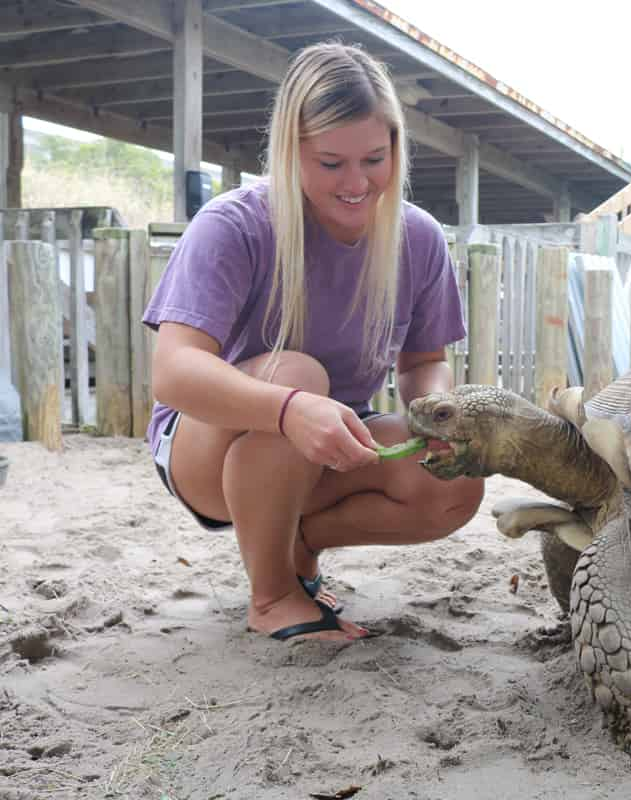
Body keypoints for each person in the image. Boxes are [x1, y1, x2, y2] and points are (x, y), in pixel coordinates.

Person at [143, 42, 484, 642]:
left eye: (374, 160)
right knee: (297, 376)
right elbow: (172, 373)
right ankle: (271, 594)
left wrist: (438, 414)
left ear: (396, 150)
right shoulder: (233, 225)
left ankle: (299, 544)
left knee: (454, 485)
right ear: (290, 151)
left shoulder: (419, 237)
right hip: (207, 452)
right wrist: (290, 409)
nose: (357, 184)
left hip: (331, 440)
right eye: (331, 164)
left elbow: (425, 363)